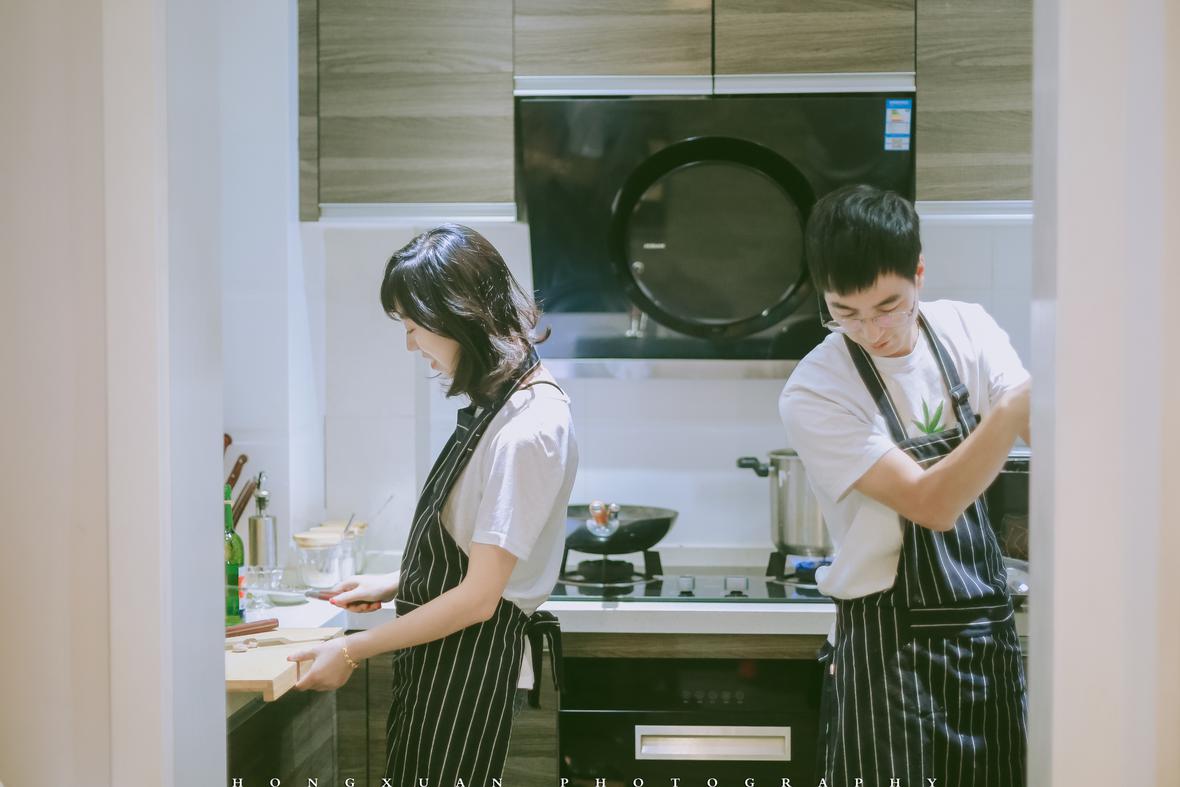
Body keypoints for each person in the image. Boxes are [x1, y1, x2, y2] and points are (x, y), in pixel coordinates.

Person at [287, 224, 578, 786]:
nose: (410, 345)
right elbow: (477, 547)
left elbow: (478, 599)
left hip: (469, 665)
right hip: (443, 659)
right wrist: (396, 582)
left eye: (412, 327)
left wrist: (350, 653)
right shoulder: (502, 405)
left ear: (455, 318)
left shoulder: (528, 428)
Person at [779, 185, 1029, 787]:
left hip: (985, 639)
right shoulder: (816, 388)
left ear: (919, 273)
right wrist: (1017, 404)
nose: (871, 331)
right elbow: (932, 504)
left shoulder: (967, 328)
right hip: (887, 655)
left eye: (888, 306)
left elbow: (1045, 430)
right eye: (844, 312)